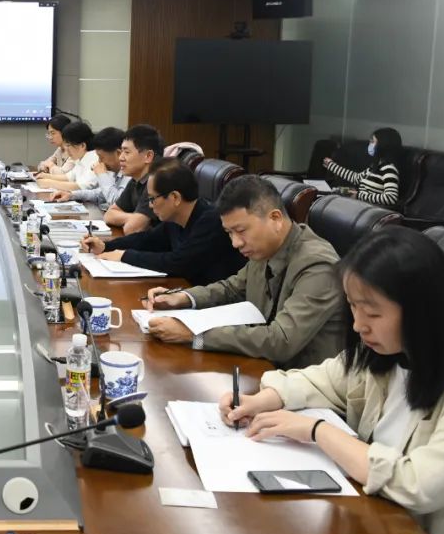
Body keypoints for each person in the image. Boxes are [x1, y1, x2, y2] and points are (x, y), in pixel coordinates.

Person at [219, 227, 444, 534]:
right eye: (353, 306)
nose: (358, 325)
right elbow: (326, 378)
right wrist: (262, 400)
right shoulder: (391, 351)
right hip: (376, 525)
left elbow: (420, 484)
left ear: (423, 310)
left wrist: (318, 431)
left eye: (373, 312)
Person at [143, 175, 344, 369]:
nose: (235, 243)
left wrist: (194, 334)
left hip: (301, 381)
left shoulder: (317, 265)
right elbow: (233, 288)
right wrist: (182, 297)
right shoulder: (265, 248)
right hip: (262, 367)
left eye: (240, 231)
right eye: (229, 233)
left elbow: (282, 340)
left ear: (275, 218)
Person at [80, 159, 245, 285]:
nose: (150, 205)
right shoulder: (175, 219)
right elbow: (147, 239)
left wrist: (124, 256)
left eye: (153, 199)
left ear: (175, 198)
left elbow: (178, 262)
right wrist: (106, 246)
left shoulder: (211, 220)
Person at [104, 124, 164, 234]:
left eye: (127, 152)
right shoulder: (136, 180)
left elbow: (132, 229)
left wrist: (134, 219)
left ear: (148, 156)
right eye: (121, 152)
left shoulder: (158, 181)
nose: (121, 158)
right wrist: (133, 217)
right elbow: (109, 214)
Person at [322, 127, 403, 208]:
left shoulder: (389, 169)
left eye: (373, 141)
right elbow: (356, 178)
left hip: (370, 211)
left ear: (383, 146)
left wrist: (358, 195)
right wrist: (332, 166)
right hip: (361, 207)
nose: (370, 144)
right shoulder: (374, 167)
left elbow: (391, 198)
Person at [52, 126, 129, 209]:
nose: (99, 161)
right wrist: (71, 195)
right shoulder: (115, 172)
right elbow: (99, 194)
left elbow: (118, 202)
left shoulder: (129, 174)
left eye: (101, 157)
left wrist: (102, 174)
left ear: (118, 153)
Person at [34, 121, 99, 191]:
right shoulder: (81, 158)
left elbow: (81, 187)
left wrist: (49, 183)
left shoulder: (94, 159)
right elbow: (68, 177)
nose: (66, 149)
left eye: (68, 145)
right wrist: (46, 176)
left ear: (82, 145)